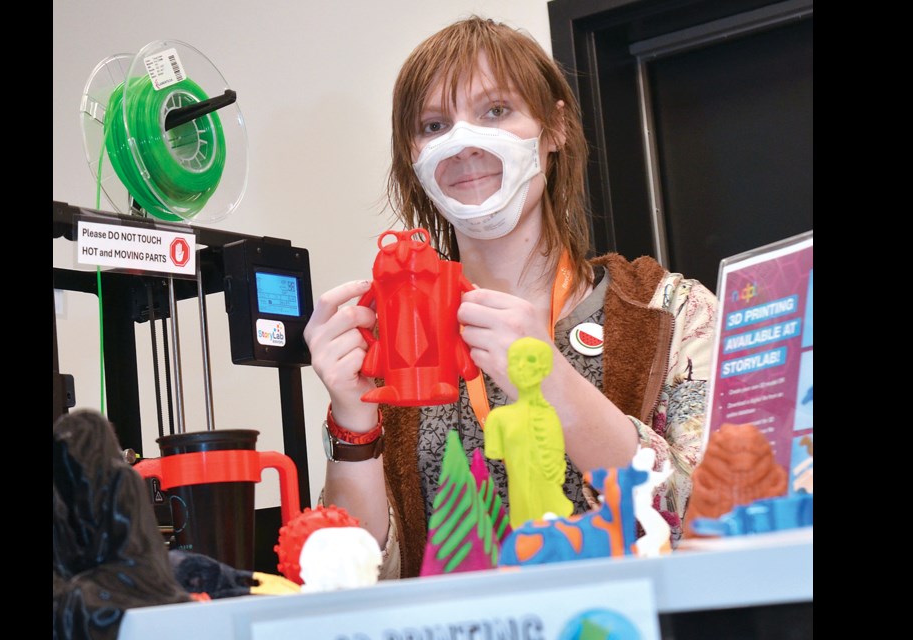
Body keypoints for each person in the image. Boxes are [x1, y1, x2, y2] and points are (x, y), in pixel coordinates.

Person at [303, 15, 717, 579]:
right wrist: (353, 424)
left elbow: (712, 514)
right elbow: (356, 579)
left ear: (555, 128)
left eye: (495, 111)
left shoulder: (670, 310)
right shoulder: (393, 338)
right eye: (433, 124)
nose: (464, 142)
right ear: (413, 156)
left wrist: (554, 382)